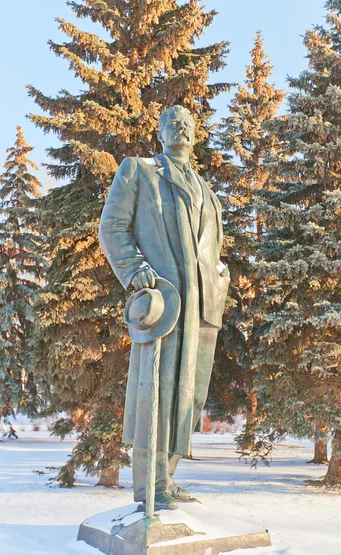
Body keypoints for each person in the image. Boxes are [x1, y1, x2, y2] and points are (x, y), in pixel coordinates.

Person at [99, 105, 230, 510]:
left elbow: (214, 245)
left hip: (204, 307)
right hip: (166, 303)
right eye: (173, 123)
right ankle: (149, 487)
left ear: (196, 135)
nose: (181, 129)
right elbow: (112, 226)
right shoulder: (139, 170)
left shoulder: (206, 190)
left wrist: (220, 277)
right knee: (154, 394)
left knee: (189, 399)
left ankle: (167, 479)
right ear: (160, 131)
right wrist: (134, 269)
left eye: (188, 125)